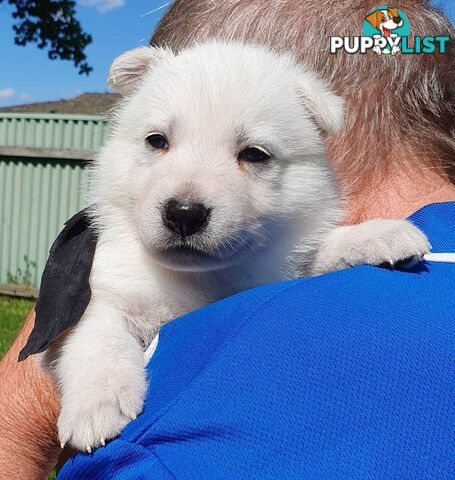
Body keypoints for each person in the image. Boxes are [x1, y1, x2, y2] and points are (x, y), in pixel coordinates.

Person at [0, 0, 453, 478]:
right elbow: (106, 314)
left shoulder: (290, 242)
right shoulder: (116, 259)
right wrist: (101, 371)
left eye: (253, 154)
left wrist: (339, 246)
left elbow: (292, 264)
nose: (186, 199)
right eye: (157, 142)